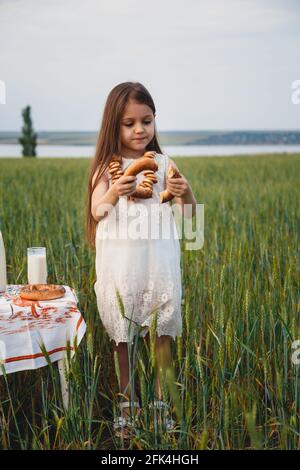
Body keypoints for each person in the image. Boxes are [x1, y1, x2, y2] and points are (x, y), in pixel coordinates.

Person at [85, 82, 197, 435]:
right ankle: (128, 403)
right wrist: (116, 191)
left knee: (161, 335)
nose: (139, 130)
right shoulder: (108, 167)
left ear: (154, 121)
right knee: (124, 339)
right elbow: (98, 210)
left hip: (159, 264)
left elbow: (192, 217)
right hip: (121, 267)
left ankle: (161, 404)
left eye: (146, 121)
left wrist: (186, 191)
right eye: (129, 123)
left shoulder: (164, 164)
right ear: (113, 125)